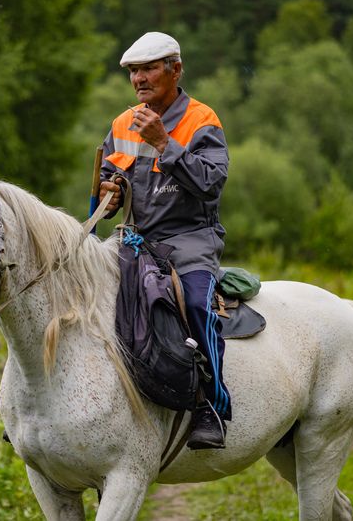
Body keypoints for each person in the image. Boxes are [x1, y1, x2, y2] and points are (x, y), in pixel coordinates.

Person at [99, 31, 231, 449]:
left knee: (195, 303)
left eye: (149, 68)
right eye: (133, 71)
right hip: (136, 240)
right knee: (79, 291)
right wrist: (111, 192)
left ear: (175, 69)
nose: (139, 78)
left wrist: (163, 143)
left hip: (191, 239)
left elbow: (211, 184)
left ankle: (213, 405)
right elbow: (107, 179)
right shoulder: (122, 123)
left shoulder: (202, 119)